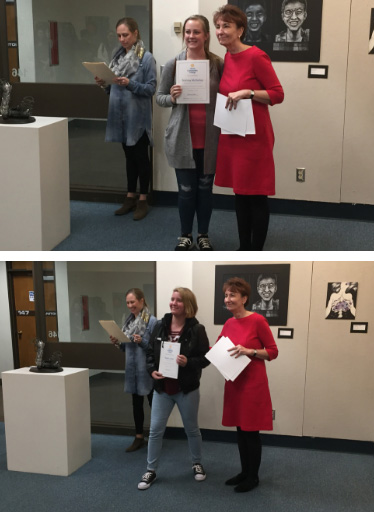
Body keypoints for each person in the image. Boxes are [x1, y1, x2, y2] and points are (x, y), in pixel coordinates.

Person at [213, 5, 285, 251]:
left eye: (226, 26)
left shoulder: (256, 56)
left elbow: (278, 94)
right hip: (233, 134)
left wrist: (250, 92)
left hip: (254, 137)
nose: (220, 31)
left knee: (256, 194)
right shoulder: (228, 57)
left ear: (240, 30)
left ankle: (256, 249)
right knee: (240, 194)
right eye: (218, 26)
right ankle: (243, 245)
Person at [156, 15, 224, 251]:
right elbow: (160, 98)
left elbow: (226, 97)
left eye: (196, 32)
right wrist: (172, 97)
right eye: (188, 32)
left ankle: (203, 235)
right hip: (182, 139)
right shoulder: (173, 64)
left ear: (206, 35)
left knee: (205, 190)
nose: (191, 36)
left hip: (210, 139)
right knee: (186, 191)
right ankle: (185, 235)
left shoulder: (217, 64)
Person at [138, 288, 211, 490]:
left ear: (187, 304)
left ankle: (197, 463)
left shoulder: (197, 329)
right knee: (155, 431)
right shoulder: (160, 326)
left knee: (192, 429)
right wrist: (152, 371)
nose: (173, 303)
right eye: (172, 299)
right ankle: (150, 470)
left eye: (178, 300)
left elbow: (206, 358)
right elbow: (150, 354)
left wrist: (188, 361)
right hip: (162, 388)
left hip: (186, 388)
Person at [218, 277, 279, 492]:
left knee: (251, 432)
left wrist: (250, 351)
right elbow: (218, 348)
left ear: (244, 298)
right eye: (226, 295)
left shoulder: (258, 321)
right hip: (234, 383)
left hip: (253, 385)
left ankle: (253, 477)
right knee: (240, 431)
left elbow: (273, 351)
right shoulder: (229, 322)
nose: (228, 299)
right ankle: (244, 471)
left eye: (232, 295)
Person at [95, 18, 156, 221]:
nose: (122, 39)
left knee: (141, 158)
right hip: (120, 116)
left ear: (136, 33)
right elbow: (113, 90)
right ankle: (130, 196)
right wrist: (104, 84)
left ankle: (143, 199)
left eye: (126, 35)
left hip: (138, 118)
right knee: (129, 158)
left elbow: (151, 89)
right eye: (119, 35)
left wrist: (130, 84)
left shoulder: (146, 58)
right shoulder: (117, 57)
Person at [109, 288, 157, 452]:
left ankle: (155, 437)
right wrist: (117, 341)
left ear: (141, 301)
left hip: (147, 369)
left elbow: (155, 348)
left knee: (153, 404)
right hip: (132, 368)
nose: (130, 306)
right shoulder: (128, 321)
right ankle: (139, 437)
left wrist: (142, 342)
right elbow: (124, 348)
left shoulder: (152, 321)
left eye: (133, 302)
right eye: (128, 303)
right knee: (136, 404)